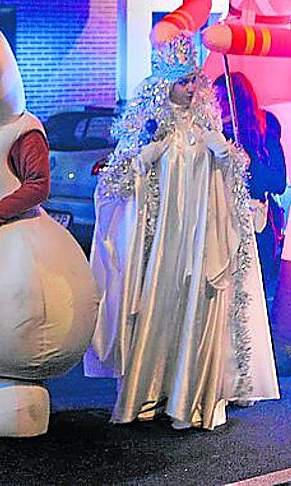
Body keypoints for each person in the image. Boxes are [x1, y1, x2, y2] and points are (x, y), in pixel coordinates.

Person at [85, 34, 279, 430]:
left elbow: (230, 180)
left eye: (194, 80)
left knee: (198, 306)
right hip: (160, 248)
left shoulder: (208, 131)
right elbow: (119, 183)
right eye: (183, 81)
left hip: (199, 242)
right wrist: (145, 158)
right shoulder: (150, 132)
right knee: (159, 305)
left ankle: (192, 398)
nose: (191, 89)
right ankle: (150, 392)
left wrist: (225, 155)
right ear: (165, 85)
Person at [213, 71, 287, 294]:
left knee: (254, 293)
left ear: (240, 101)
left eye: (225, 99)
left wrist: (250, 163)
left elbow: (278, 181)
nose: (219, 106)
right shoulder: (213, 135)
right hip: (221, 226)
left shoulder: (265, 126)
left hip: (257, 224)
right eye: (215, 99)